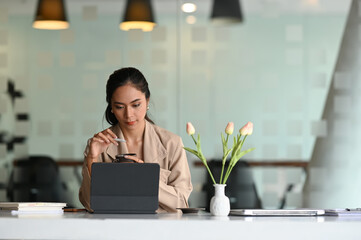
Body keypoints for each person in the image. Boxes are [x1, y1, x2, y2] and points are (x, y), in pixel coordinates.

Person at [79, 67, 193, 213]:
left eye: (136, 105)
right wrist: (92, 158)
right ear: (111, 108)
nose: (129, 115)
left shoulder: (172, 143)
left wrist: (145, 180)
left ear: (147, 101)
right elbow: (90, 205)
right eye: (120, 107)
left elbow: (181, 203)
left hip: (160, 232)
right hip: (113, 230)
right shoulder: (97, 145)